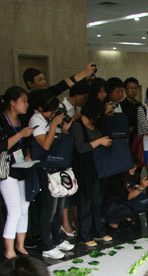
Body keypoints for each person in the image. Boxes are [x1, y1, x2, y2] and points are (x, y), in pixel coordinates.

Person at [0, 86, 35, 259]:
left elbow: (26, 144)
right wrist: (21, 134)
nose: (27, 104)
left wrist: (28, 154)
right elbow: (0, 146)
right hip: (6, 169)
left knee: (24, 207)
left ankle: (20, 245)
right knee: (14, 209)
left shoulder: (22, 119)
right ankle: (9, 250)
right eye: (23, 101)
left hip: (21, 166)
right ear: (12, 102)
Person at [29, 89, 75, 259]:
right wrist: (54, 124)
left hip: (57, 166)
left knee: (59, 209)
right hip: (45, 168)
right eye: (50, 111)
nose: (53, 114)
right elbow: (46, 145)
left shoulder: (49, 119)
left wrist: (64, 129)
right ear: (41, 108)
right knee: (49, 210)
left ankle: (57, 239)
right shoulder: (36, 119)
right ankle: (47, 246)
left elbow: (58, 143)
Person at [70, 97, 114, 247]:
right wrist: (99, 142)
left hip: (97, 167)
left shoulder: (94, 125)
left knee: (97, 201)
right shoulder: (77, 126)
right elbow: (80, 148)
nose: (99, 116)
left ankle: (99, 231)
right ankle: (85, 235)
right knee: (85, 202)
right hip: (83, 168)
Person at [59, 81, 90, 238]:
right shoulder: (62, 108)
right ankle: (65, 222)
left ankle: (77, 220)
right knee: (65, 187)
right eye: (84, 97)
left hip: (75, 152)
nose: (85, 100)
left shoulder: (78, 109)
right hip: (63, 152)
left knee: (75, 187)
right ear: (77, 95)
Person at [22, 63, 96, 118]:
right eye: (40, 80)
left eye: (44, 79)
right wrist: (84, 73)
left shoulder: (45, 95)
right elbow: (61, 86)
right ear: (30, 83)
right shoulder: (31, 97)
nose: (44, 82)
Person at [104, 157, 148, 229]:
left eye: (136, 167)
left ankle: (123, 216)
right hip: (110, 205)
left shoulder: (132, 175)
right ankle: (113, 220)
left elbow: (130, 189)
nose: (134, 168)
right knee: (135, 206)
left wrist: (136, 188)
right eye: (132, 166)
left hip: (121, 201)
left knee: (146, 203)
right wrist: (141, 187)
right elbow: (126, 196)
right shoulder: (116, 177)